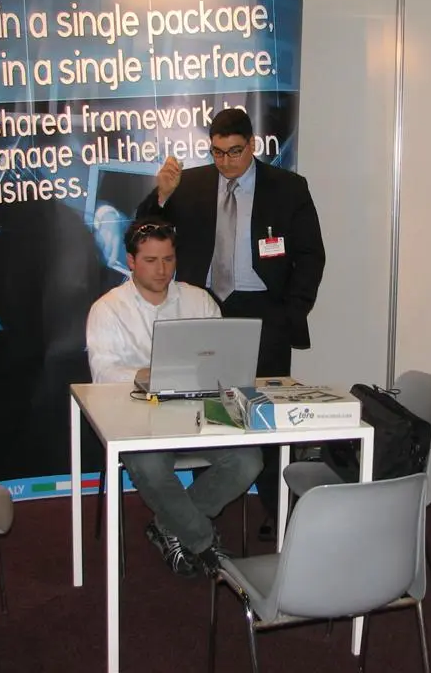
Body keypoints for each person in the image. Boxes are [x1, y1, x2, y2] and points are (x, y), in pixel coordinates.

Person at [137, 107, 325, 539]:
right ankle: (198, 511)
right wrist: (161, 196)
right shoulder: (192, 184)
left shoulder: (288, 187)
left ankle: (277, 510)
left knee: (265, 414)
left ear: (252, 145)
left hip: (264, 311)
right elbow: (147, 232)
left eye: (234, 152)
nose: (225, 162)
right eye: (217, 153)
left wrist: (291, 313)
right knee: (205, 408)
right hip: (205, 307)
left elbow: (311, 255)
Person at [85, 216, 263, 577]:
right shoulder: (108, 308)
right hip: (137, 418)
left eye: (168, 259)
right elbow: (101, 373)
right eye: (151, 260)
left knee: (248, 461)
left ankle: (168, 525)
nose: (162, 269)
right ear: (131, 261)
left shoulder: (198, 300)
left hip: (200, 412)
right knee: (151, 468)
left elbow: (224, 359)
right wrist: (143, 374)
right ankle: (203, 542)